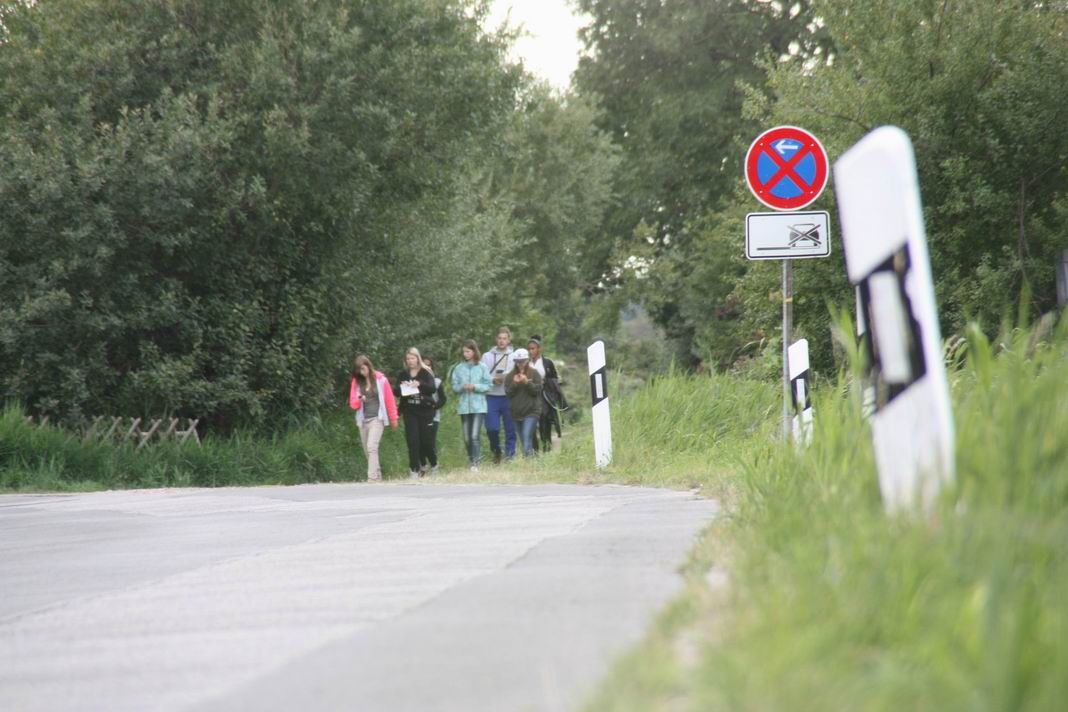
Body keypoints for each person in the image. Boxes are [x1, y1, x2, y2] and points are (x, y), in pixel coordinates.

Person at [349, 354, 398, 482]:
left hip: (377, 418)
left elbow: (389, 400)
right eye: (359, 370)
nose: (361, 372)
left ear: (368, 366)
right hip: (363, 420)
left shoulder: (381, 380)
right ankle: (378, 476)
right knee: (367, 450)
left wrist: (393, 418)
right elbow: (353, 404)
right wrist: (359, 400)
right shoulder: (356, 382)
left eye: (363, 369)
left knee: (372, 446)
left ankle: (372, 478)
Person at [393, 347, 438, 479]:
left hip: (425, 410)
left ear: (418, 358)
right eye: (408, 359)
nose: (410, 361)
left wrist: (419, 384)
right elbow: (396, 392)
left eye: (412, 358)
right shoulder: (403, 374)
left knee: (426, 441)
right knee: (412, 441)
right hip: (409, 410)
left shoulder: (425, 372)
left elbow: (432, 388)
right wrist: (403, 386)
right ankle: (414, 469)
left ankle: (434, 464)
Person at [450, 339, 492, 470]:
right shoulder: (458, 368)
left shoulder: (482, 367)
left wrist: (475, 386)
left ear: (474, 351)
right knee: (467, 438)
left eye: (468, 351)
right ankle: (471, 460)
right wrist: (462, 387)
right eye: (464, 352)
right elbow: (454, 386)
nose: (465, 354)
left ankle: (475, 463)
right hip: (464, 407)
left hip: (479, 406)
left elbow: (488, 385)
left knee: (474, 435)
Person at [480, 326, 516, 463]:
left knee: (510, 429)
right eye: (500, 338)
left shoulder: (513, 356)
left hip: (508, 396)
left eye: (504, 339)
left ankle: (510, 455)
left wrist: (508, 378)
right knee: (492, 429)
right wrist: (492, 380)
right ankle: (496, 451)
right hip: (491, 396)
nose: (502, 341)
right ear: (496, 339)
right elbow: (481, 375)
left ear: (508, 340)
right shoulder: (486, 356)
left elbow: (517, 373)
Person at [527, 335, 564, 453]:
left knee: (545, 420)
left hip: (544, 395)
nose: (531, 351)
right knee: (531, 422)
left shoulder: (547, 363)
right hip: (530, 396)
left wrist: (546, 381)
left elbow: (556, 378)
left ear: (539, 348)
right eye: (529, 349)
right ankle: (534, 450)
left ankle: (546, 446)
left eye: (533, 348)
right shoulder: (526, 363)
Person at [505, 347, 543, 458]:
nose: (520, 364)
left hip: (532, 412)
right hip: (516, 413)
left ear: (527, 360)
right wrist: (515, 383)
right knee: (524, 440)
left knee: (526, 437)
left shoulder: (534, 373)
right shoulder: (509, 376)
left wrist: (527, 383)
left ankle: (528, 461)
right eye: (518, 361)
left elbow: (537, 391)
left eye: (522, 361)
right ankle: (532, 459)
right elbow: (508, 393)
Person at [421, 357, 447, 472]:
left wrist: (434, 407)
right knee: (419, 441)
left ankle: (434, 465)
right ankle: (422, 465)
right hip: (418, 415)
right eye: (424, 365)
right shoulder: (415, 381)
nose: (426, 367)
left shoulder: (437, 382)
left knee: (430, 441)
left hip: (433, 416)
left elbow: (443, 399)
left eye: (429, 365)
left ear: (432, 367)